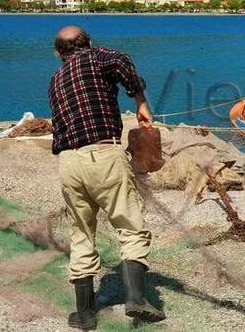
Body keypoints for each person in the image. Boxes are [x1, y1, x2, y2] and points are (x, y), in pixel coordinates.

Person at [48, 26, 166, 330]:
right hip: (103, 155)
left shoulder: (55, 80)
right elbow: (123, 62)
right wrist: (140, 103)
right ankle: (136, 298)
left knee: (81, 234)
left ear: (59, 53)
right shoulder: (99, 57)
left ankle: (85, 314)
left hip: (68, 164)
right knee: (130, 227)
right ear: (88, 43)